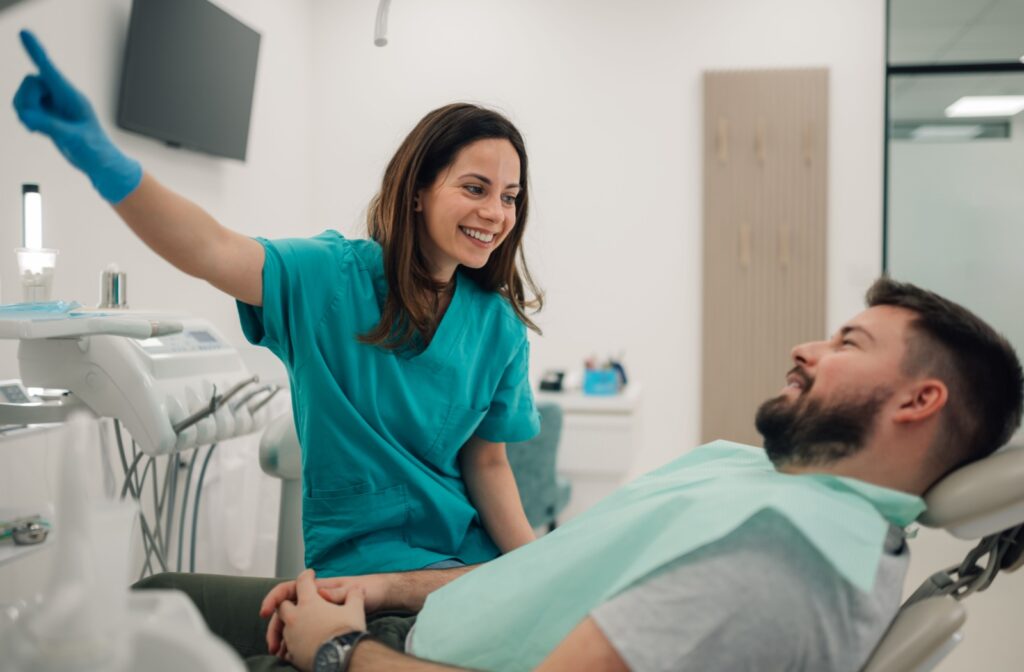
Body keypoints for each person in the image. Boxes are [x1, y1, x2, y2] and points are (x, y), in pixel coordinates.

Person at [138, 278, 1022, 671]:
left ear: (919, 402)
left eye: (848, 344)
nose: (806, 348)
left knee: (117, 633)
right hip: (407, 628)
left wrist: (336, 652)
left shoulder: (779, 564)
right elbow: (558, 569)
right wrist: (385, 588)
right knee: (154, 592)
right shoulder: (770, 486)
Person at [13, 31, 545, 576]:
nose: (496, 213)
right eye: (475, 188)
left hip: (464, 563)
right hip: (361, 573)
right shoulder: (330, 280)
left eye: (509, 197)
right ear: (418, 191)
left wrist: (533, 569)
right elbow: (211, 248)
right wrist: (104, 162)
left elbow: (487, 461)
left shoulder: (498, 326)